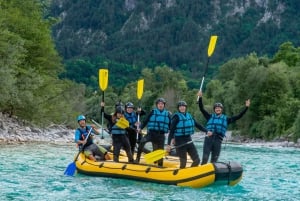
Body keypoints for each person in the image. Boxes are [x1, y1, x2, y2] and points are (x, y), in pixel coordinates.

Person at [197, 91, 251, 164]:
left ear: (221, 109)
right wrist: (200, 98)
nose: (218, 109)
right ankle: (202, 172)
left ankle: (213, 173)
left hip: (218, 141)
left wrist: (246, 107)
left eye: (219, 108)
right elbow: (201, 109)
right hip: (208, 139)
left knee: (214, 161)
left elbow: (239, 116)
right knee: (205, 159)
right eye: (216, 108)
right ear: (214, 109)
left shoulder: (226, 119)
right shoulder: (209, 117)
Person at [166, 101, 208, 168]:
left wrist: (207, 131)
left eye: (183, 106)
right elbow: (171, 132)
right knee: (183, 163)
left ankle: (191, 173)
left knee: (197, 160)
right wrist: (168, 145)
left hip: (188, 140)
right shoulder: (176, 117)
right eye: (180, 107)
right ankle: (181, 175)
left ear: (185, 107)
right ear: (178, 108)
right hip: (179, 141)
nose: (182, 108)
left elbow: (198, 125)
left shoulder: (189, 116)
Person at [135, 98, 171, 166]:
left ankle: (160, 165)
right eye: (159, 104)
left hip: (161, 135)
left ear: (164, 105)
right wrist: (140, 128)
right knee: (142, 142)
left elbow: (171, 125)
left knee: (160, 151)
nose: (160, 105)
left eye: (162, 104)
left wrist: (173, 136)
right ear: (157, 105)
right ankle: (137, 159)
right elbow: (145, 121)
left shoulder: (167, 114)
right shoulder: (152, 112)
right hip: (151, 133)